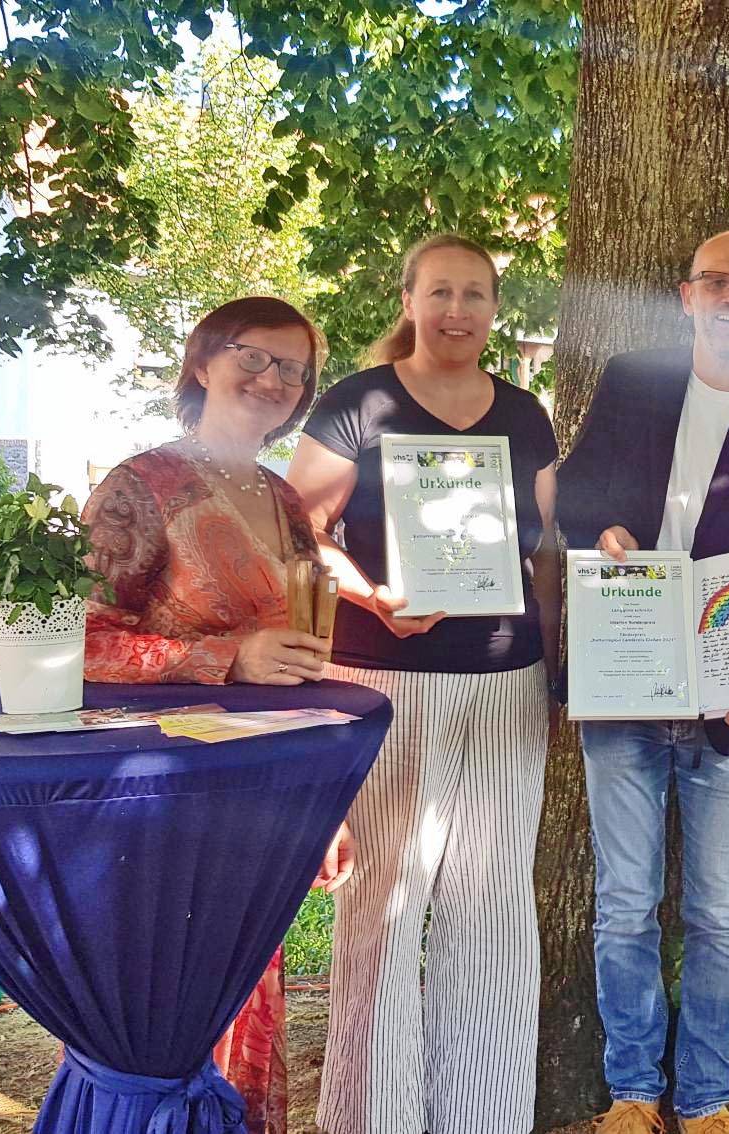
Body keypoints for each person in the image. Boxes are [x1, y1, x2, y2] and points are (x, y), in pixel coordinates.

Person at [556, 229, 729, 1134]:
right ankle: (633, 1092)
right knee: (624, 908)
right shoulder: (633, 381)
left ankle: (708, 1098)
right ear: (687, 295)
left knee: (717, 915)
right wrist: (603, 534)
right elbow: (579, 493)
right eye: (717, 282)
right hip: (626, 682)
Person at [286, 233, 561, 1134]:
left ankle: (484, 1116)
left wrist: (565, 670)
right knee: (384, 905)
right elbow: (299, 534)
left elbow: (548, 552)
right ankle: (374, 1116)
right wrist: (371, 595)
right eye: (439, 292)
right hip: (383, 678)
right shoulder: (358, 403)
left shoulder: (524, 415)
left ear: (495, 309)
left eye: (475, 294)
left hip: (506, 685)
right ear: (408, 300)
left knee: (493, 905)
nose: (457, 310)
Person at [82, 295, 350, 1134]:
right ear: (203, 361)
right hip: (159, 796)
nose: (273, 379)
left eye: (294, 369)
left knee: (249, 1003)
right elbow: (78, 641)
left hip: (259, 790)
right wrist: (227, 656)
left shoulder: (284, 498)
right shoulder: (138, 485)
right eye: (254, 356)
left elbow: (301, 658)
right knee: (162, 1010)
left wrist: (323, 802)